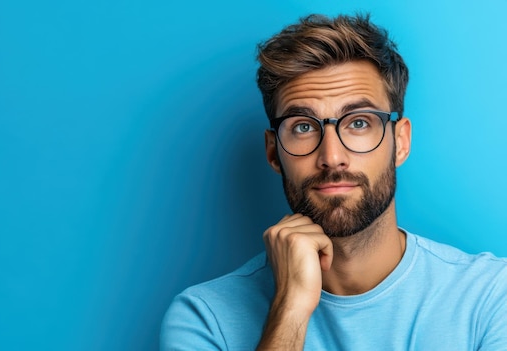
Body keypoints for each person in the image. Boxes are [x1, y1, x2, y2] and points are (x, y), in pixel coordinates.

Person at [159, 13, 507, 350]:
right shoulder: (205, 319)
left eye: (358, 122)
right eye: (303, 127)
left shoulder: (490, 297)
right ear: (272, 152)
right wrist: (290, 308)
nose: (331, 156)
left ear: (400, 142)